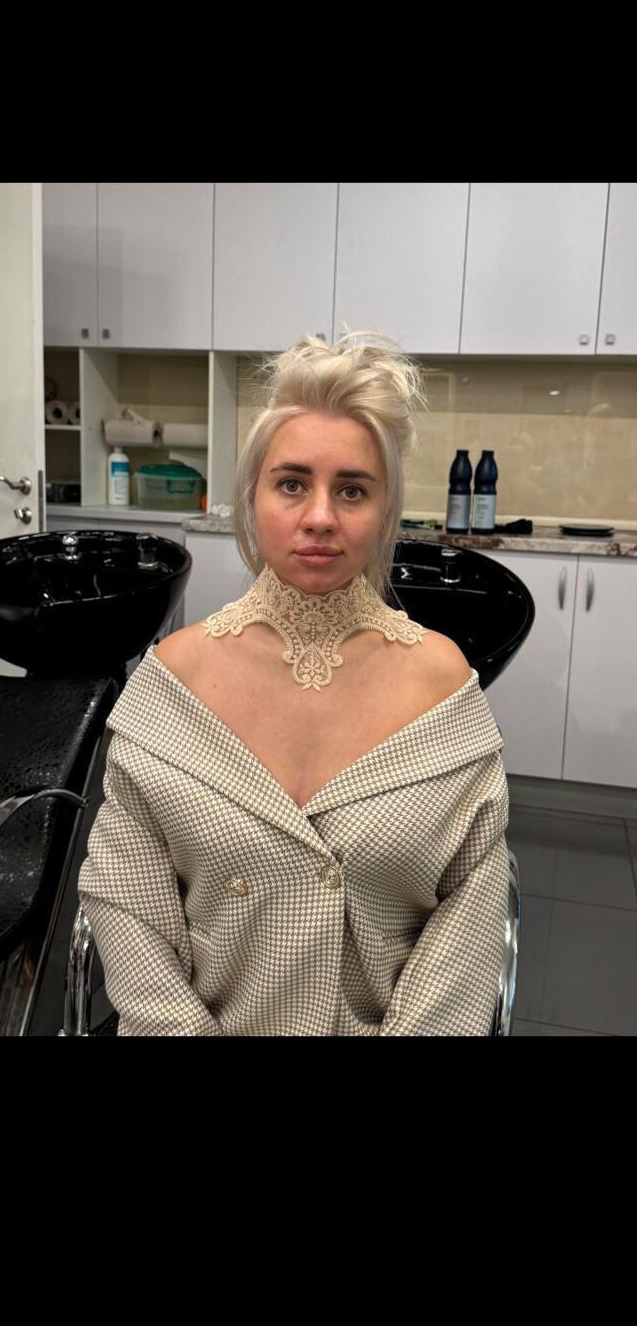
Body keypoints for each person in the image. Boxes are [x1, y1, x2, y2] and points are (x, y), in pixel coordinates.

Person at [78, 331, 510, 1036]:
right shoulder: (173, 681)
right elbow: (128, 905)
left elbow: (468, 921)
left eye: (352, 489)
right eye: (291, 483)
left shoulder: (442, 684)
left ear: (386, 509)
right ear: (251, 497)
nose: (320, 516)